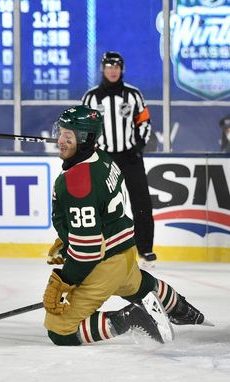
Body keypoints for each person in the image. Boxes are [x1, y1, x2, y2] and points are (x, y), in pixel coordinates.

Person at [43, 105, 206, 346]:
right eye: (61, 133)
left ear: (86, 139)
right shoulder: (102, 158)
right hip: (125, 254)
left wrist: (63, 280)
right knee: (141, 284)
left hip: (103, 265)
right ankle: (183, 309)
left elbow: (87, 250)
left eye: (69, 136)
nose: (61, 141)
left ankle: (131, 317)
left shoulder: (76, 182)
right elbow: (100, 217)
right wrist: (68, 239)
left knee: (60, 330)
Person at [79, 51, 157, 266]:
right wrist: (88, 150)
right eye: (109, 67)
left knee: (141, 203)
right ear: (103, 69)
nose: (113, 71)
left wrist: (139, 146)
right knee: (101, 205)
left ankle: (145, 250)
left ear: (121, 70)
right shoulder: (91, 97)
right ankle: (100, 248)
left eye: (116, 67)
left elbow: (144, 122)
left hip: (130, 157)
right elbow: (83, 127)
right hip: (103, 158)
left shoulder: (133, 95)